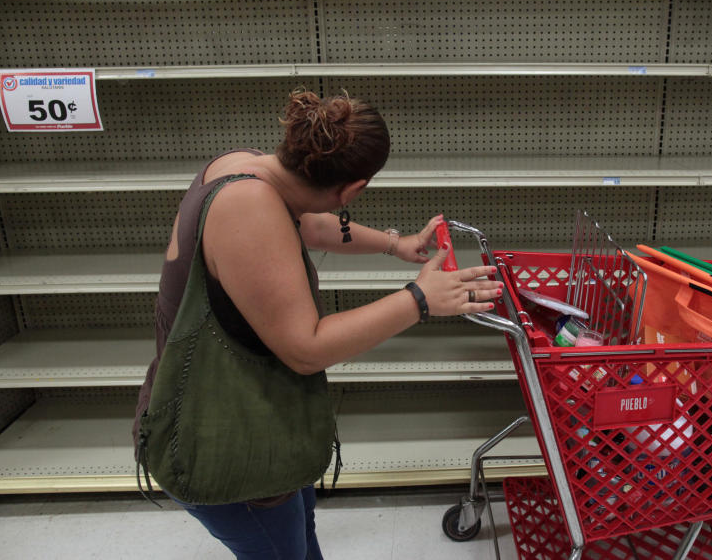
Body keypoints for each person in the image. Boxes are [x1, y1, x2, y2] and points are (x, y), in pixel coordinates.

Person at [133, 90, 503, 559]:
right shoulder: (247, 207)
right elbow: (305, 349)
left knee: (301, 542)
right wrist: (419, 300)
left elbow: (311, 225)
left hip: (260, 423)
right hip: (225, 445)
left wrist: (397, 245)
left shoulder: (245, 167)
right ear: (353, 190)